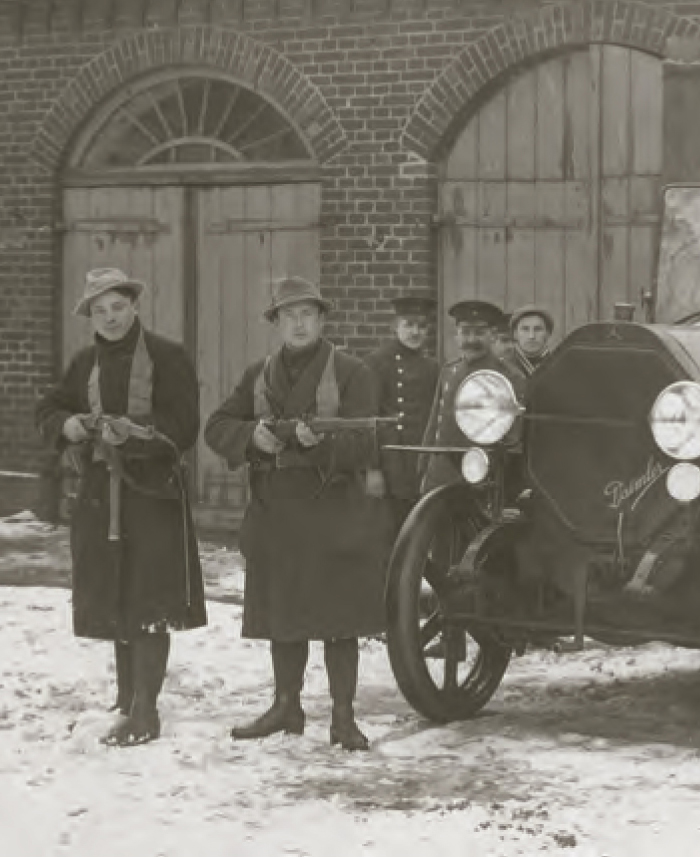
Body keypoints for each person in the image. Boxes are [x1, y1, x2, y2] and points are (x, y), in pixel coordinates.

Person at [204, 276, 387, 752]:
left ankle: (343, 717)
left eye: (307, 314)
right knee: (282, 614)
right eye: (289, 316)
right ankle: (287, 706)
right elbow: (217, 426)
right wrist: (252, 437)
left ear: (322, 320)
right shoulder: (258, 375)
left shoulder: (352, 372)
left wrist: (319, 442)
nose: (299, 324)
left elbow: (367, 441)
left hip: (334, 513)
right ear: (277, 323)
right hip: (276, 512)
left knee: (338, 620)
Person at [34, 268, 207, 747]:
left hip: (151, 496)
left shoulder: (168, 358)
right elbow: (48, 409)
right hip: (99, 497)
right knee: (116, 592)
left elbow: (184, 425)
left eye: (118, 307)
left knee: (150, 599)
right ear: (91, 316)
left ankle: (146, 711)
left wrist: (131, 434)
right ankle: (126, 698)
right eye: (100, 310)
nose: (110, 318)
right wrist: (68, 425)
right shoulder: (83, 363)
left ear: (134, 307)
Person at [420, 299, 525, 493]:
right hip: (440, 474)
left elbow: (512, 438)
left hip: (481, 476)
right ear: (456, 336)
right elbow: (435, 423)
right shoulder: (449, 371)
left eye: (479, 333)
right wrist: (424, 467)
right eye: (465, 332)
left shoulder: (509, 377)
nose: (471, 339)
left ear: (492, 336)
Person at [364, 295, 440, 529]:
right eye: (409, 325)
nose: (415, 332)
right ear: (395, 326)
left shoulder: (433, 368)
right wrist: (372, 469)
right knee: (389, 530)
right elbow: (369, 418)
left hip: (420, 461)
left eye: (421, 326)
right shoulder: (376, 363)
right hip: (390, 460)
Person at [501, 304, 555, 378]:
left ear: (548, 334)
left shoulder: (558, 364)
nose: (531, 336)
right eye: (525, 329)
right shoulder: (503, 367)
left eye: (538, 329)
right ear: (515, 334)